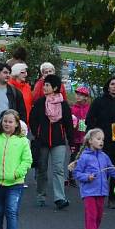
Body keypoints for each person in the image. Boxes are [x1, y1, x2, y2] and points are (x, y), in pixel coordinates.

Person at [0, 109, 32, 229]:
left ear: (16, 125)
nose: (7, 124)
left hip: (16, 183)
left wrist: (17, 173)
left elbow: (27, 160)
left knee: (11, 211)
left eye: (10, 122)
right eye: (5, 121)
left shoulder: (23, 141)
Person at [86, 76, 115, 208]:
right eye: (112, 84)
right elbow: (90, 119)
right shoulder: (99, 101)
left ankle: (112, 197)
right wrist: (92, 137)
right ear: (108, 86)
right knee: (101, 169)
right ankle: (99, 194)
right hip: (102, 141)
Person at [73, 128, 115, 229]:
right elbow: (77, 173)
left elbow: (111, 169)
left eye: (103, 140)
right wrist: (87, 177)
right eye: (98, 139)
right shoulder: (84, 157)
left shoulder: (104, 156)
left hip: (102, 192)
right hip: (88, 192)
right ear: (90, 141)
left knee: (98, 217)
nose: (101, 142)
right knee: (91, 216)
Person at [29, 74, 73, 209]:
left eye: (48, 85)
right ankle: (41, 196)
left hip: (58, 141)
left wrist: (70, 142)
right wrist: (37, 133)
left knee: (58, 169)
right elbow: (32, 119)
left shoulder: (63, 104)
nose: (45, 87)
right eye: (44, 85)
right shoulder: (40, 103)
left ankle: (60, 198)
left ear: (55, 87)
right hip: (42, 141)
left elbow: (68, 123)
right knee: (42, 169)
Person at [67, 86, 92, 187]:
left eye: (81, 95)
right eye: (77, 94)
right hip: (75, 136)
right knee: (74, 156)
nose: (78, 96)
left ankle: (86, 176)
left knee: (87, 157)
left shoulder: (89, 109)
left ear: (86, 97)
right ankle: (71, 177)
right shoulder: (72, 109)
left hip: (86, 136)